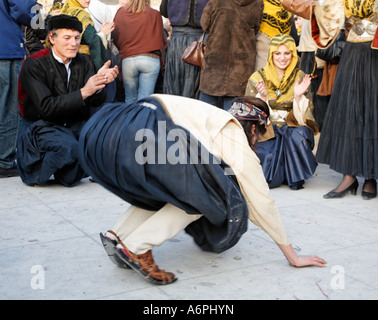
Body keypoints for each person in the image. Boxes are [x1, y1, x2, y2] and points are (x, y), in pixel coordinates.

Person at [78, 94, 326, 285]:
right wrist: (292, 256)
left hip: (109, 125)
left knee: (169, 188)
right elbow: (262, 201)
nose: (256, 143)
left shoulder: (208, 116)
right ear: (253, 128)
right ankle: (137, 247)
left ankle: (118, 237)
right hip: (144, 131)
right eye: (258, 138)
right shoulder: (233, 131)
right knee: (208, 196)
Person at [17, 14, 118, 187]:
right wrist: (85, 91)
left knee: (104, 141)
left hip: (70, 124)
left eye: (77, 38)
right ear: (52, 38)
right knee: (71, 147)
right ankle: (37, 170)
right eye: (67, 38)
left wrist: (99, 84)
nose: (74, 43)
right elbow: (46, 108)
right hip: (40, 127)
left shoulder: (83, 61)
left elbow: (93, 101)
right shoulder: (34, 64)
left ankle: (69, 169)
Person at [313, 0, 378, 200]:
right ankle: (349, 176)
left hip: (375, 54)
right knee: (349, 108)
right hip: (352, 52)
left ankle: (370, 176)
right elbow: (328, 13)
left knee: (371, 109)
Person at [245, 33, 319, 190]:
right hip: (267, 128)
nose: (282, 58)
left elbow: (306, 118)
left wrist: (298, 97)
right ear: (271, 54)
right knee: (269, 167)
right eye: (277, 53)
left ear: (293, 54)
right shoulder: (257, 78)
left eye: (287, 53)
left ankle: (294, 175)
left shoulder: (300, 77)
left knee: (300, 135)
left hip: (291, 126)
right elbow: (249, 116)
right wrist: (263, 98)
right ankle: (282, 173)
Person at [199, 0, 264, 110]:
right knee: (233, 119)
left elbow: (204, 24)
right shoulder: (257, 2)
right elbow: (256, 27)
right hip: (241, 68)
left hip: (215, 64)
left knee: (206, 117)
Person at [0, 0, 35, 179]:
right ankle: (4, 161)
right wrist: (36, 19)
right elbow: (21, 9)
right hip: (6, 49)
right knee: (8, 107)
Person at [112, 0, 167, 106]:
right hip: (150, 58)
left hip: (128, 59)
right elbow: (161, 39)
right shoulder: (154, 13)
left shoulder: (120, 12)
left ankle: (130, 122)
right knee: (146, 101)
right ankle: (144, 122)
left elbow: (115, 37)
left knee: (130, 99)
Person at [160, 0, 208, 99]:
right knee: (195, 82)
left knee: (175, 80)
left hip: (180, 42)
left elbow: (163, 11)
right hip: (198, 42)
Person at [61, 0, 113, 72]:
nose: (88, 0)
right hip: (82, 63)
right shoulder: (81, 15)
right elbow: (93, 40)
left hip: (66, 61)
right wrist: (103, 34)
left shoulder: (65, 12)